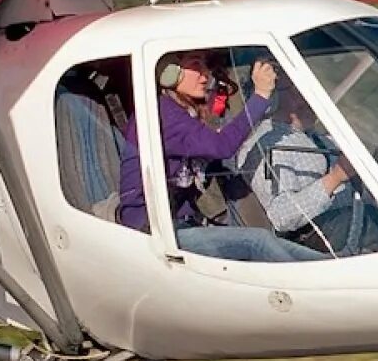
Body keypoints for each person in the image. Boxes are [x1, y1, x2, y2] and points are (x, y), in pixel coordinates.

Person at [116, 51, 317, 262]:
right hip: (151, 230)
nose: (205, 76)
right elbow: (222, 147)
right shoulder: (164, 115)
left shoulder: (180, 111)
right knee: (257, 242)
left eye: (205, 67)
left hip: (178, 222)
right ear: (168, 74)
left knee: (273, 242)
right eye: (195, 66)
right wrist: (261, 96)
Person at [236, 79, 378, 258]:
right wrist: (335, 177)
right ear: (275, 96)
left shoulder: (311, 136)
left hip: (367, 222)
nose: (309, 96)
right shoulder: (269, 145)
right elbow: (281, 215)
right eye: (298, 90)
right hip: (341, 244)